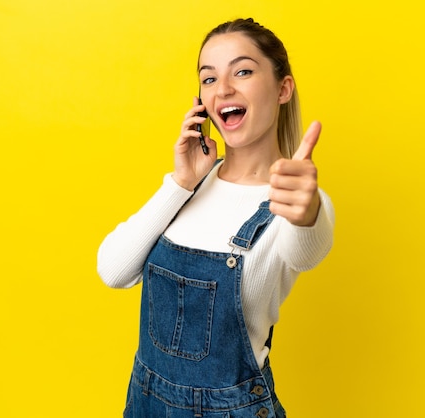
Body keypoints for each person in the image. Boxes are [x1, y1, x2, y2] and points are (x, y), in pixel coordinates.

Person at [97, 18, 334, 418]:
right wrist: (181, 182)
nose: (223, 89)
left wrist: (307, 211)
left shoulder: (297, 200)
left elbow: (306, 249)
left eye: (242, 71)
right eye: (209, 79)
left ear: (282, 88)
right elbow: (113, 271)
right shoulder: (188, 187)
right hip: (145, 406)